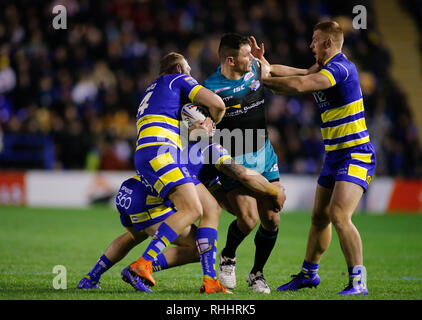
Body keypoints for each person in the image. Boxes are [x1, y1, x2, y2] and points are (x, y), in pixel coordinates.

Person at [78, 119, 286, 293]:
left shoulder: (183, 135)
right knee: (199, 247)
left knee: (134, 235)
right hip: (151, 203)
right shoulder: (212, 147)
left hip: (132, 190)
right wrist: (273, 190)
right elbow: (240, 175)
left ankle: (91, 278)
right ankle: (144, 268)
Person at [262, 20, 376, 295]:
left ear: (328, 43)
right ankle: (308, 274)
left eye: (314, 40)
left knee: (339, 215)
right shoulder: (323, 68)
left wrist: (265, 79)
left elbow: (302, 84)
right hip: (334, 156)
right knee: (319, 218)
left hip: (356, 154)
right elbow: (299, 74)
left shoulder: (340, 68)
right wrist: (263, 65)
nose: (310, 45)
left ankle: (358, 282)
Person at [203, 33, 311, 293]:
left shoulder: (253, 67)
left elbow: (271, 70)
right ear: (230, 60)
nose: (251, 58)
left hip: (263, 153)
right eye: (245, 55)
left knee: (272, 219)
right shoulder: (210, 88)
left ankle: (257, 274)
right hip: (234, 157)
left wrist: (309, 70)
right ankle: (228, 257)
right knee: (249, 219)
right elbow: (199, 130)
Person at [128, 51, 228, 293]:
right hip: (160, 152)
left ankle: (210, 280)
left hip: (155, 151)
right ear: (178, 69)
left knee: (211, 208)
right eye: (188, 70)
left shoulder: (153, 91)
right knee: (192, 209)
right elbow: (218, 103)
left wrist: (195, 129)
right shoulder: (177, 80)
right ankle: (143, 263)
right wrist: (212, 123)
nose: (191, 75)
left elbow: (171, 126)